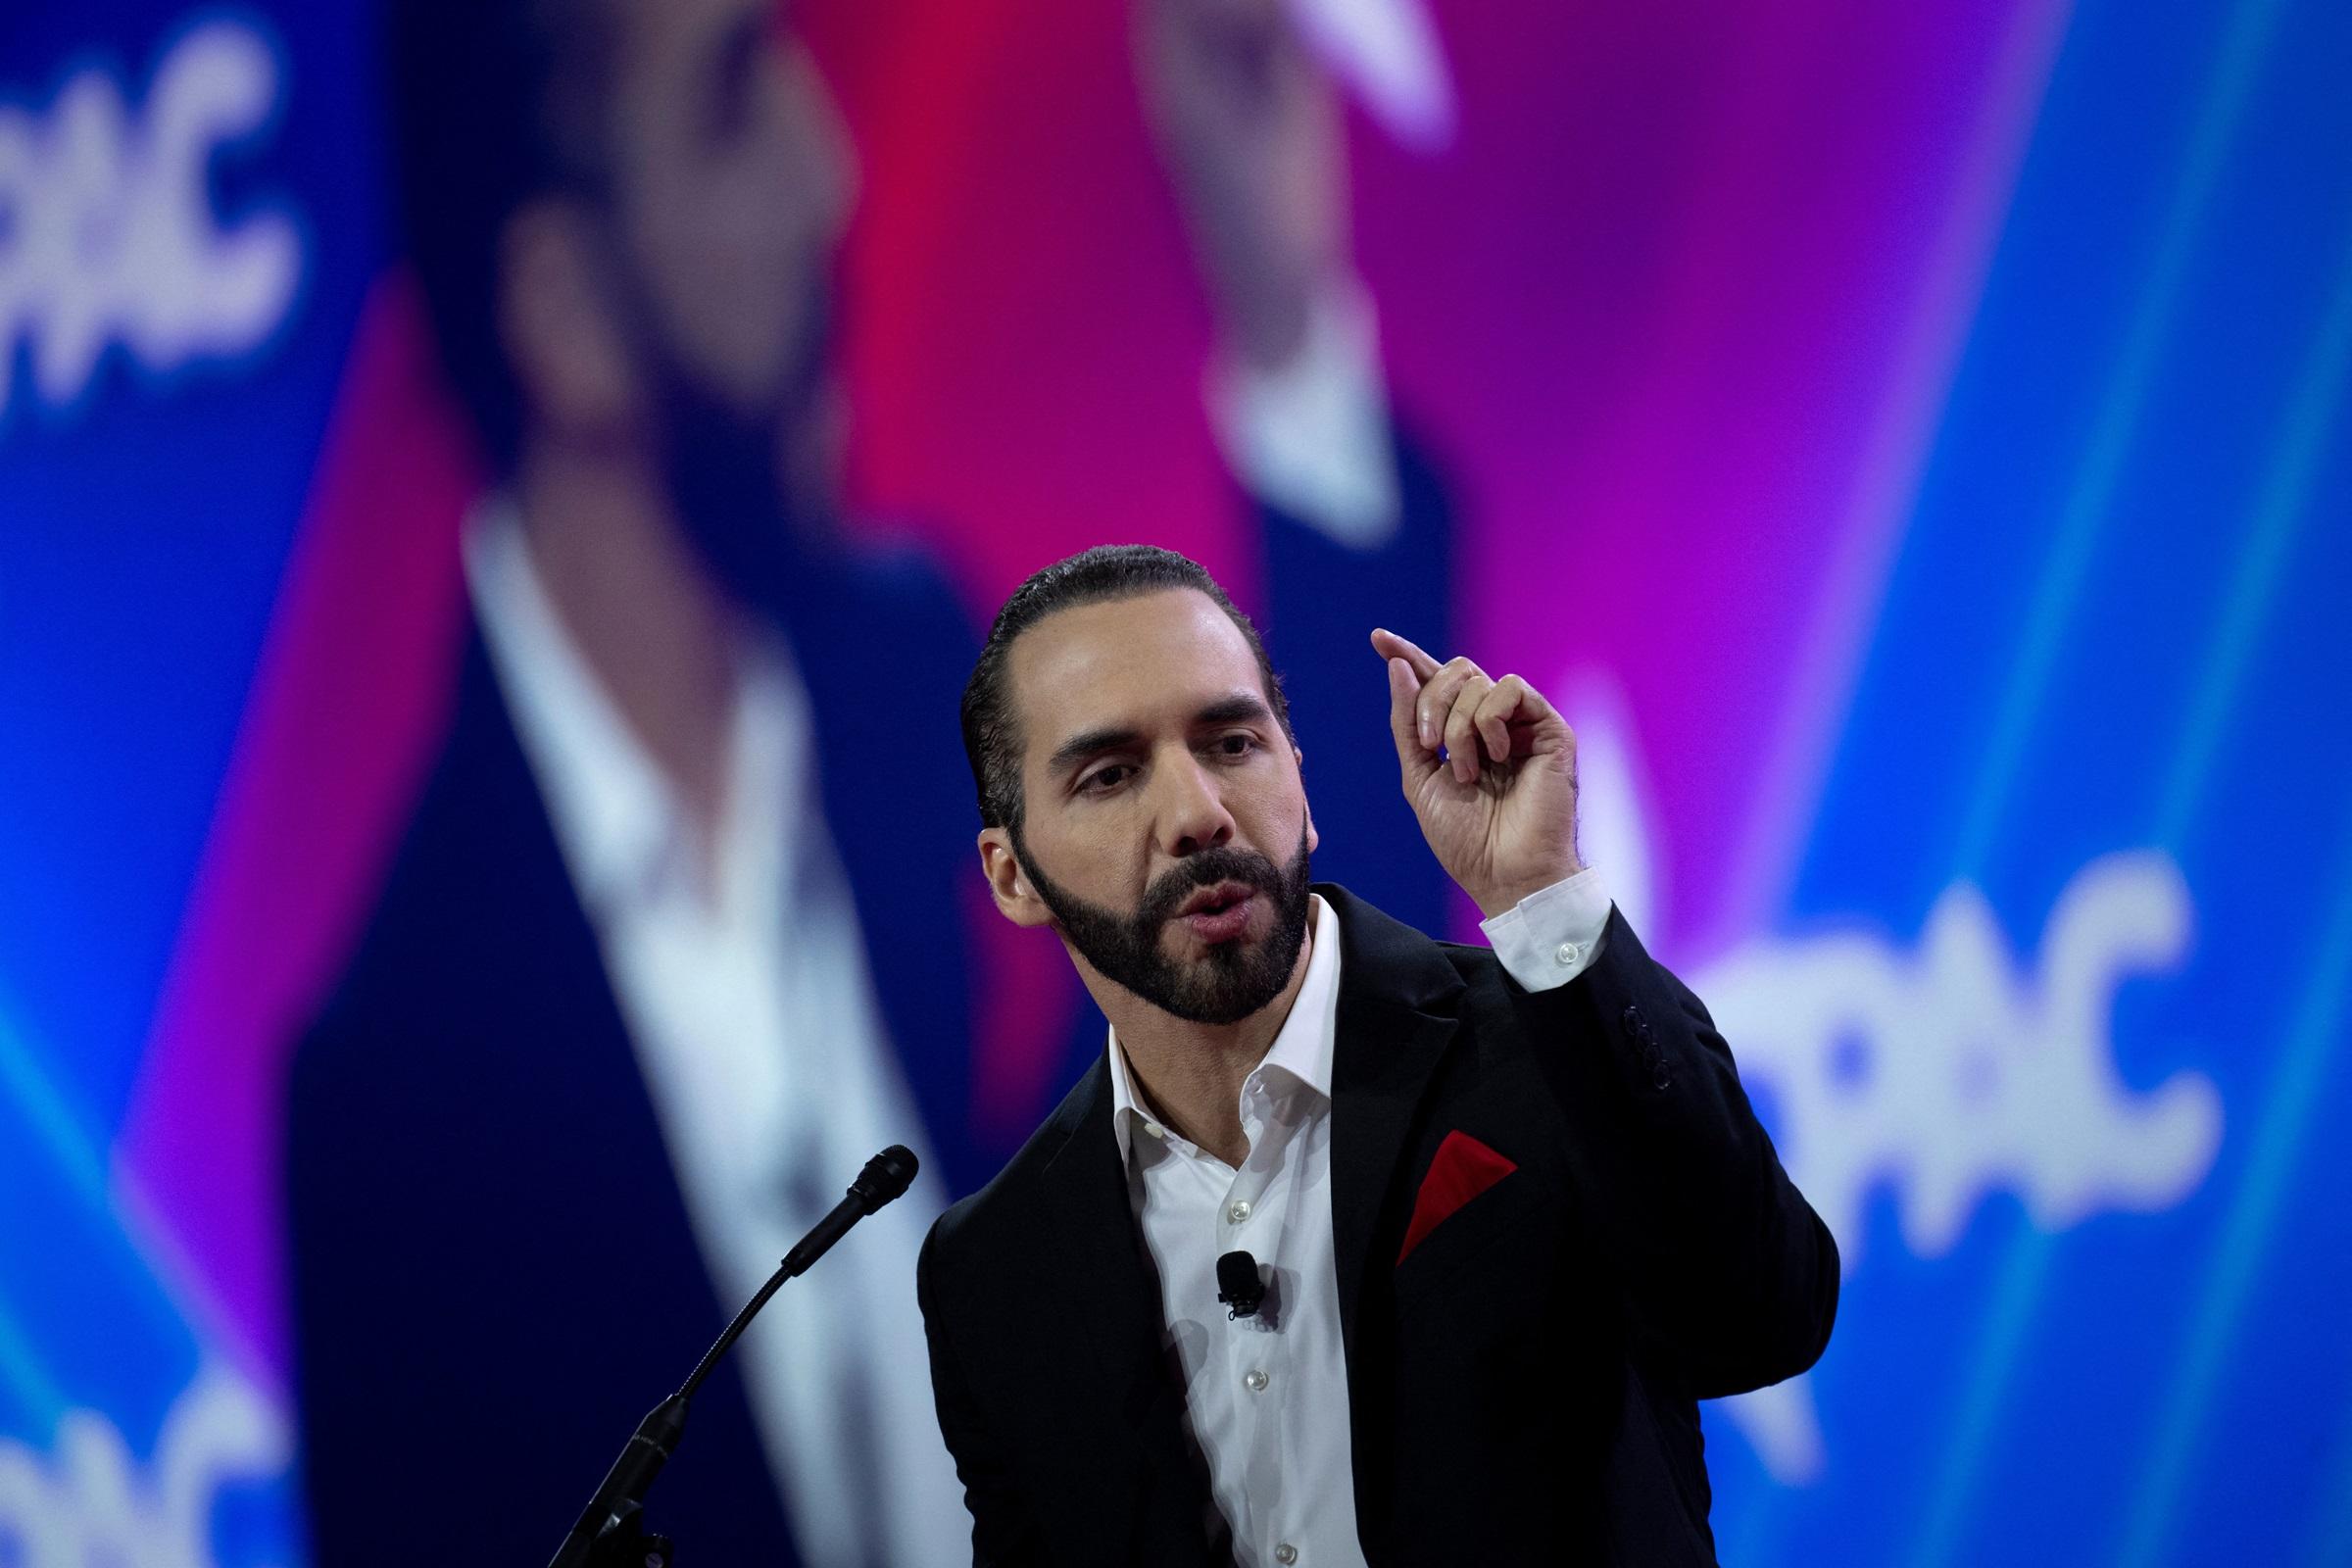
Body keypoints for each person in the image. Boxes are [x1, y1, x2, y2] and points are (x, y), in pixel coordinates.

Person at [285, 0, 1453, 1564]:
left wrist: (1283, 319)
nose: (831, 175)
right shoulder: (402, 1108)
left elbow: (1267, 1017)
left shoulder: (914, 680)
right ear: (559, 308)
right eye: (728, 109)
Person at [918, 545, 1839, 1565]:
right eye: (1111, 773)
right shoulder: (995, 1271)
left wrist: (1540, 894)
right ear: (1013, 877)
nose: (1197, 814)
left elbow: (1762, 1317)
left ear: (1300, 782)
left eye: (1232, 742)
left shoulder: (1548, 1038)